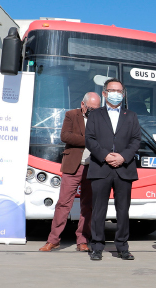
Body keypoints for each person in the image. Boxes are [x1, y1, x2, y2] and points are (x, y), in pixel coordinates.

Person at [85, 78, 141, 261]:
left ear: (123, 94)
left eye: (119, 91)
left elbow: (136, 140)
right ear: (104, 93)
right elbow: (90, 139)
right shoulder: (95, 115)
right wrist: (105, 155)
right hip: (101, 167)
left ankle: (122, 247)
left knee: (123, 211)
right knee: (98, 210)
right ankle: (97, 247)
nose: (116, 94)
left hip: (124, 168)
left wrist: (123, 157)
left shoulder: (131, 116)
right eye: (112, 90)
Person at [39, 92, 101, 252]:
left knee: (88, 206)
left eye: (96, 109)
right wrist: (90, 141)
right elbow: (65, 136)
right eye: (91, 108)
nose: (93, 111)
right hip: (73, 165)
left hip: (92, 166)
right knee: (63, 204)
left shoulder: (101, 119)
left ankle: (82, 240)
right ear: (83, 104)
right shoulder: (71, 115)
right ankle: (53, 240)